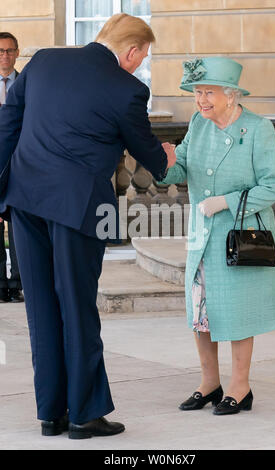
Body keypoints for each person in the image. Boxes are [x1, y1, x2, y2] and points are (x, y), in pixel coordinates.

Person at [0, 13, 176, 439]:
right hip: (82, 211)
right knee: (78, 306)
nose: (141, 65)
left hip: (26, 201)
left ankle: (50, 414)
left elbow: (7, 126)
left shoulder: (42, 61)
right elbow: (149, 154)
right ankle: (84, 414)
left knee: (40, 309)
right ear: (131, 51)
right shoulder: (128, 88)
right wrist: (166, 156)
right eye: (143, 57)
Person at [160, 56, 275, 415]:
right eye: (197, 92)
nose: (200, 100)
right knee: (201, 312)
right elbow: (180, 169)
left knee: (237, 312)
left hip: (240, 237)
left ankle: (240, 386)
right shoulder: (199, 126)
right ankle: (209, 383)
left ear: (231, 95)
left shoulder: (258, 128)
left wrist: (225, 202)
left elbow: (273, 186)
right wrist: (166, 164)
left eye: (208, 92)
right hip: (202, 236)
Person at [0, 32, 23, 303]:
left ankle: (17, 282)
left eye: (9, 50)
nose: (5, 55)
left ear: (17, 53)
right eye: (1, 51)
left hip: (19, 165)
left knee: (19, 227)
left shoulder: (26, 84)